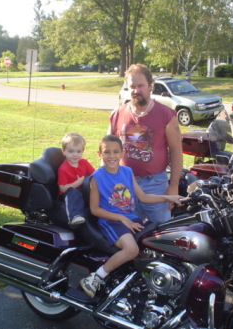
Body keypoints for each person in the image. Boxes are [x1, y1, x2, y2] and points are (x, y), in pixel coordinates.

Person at [80, 135, 182, 298]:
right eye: (107, 152)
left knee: (157, 240)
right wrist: (122, 219)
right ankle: (96, 277)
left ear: (122, 153)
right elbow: (95, 210)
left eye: (115, 152)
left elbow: (143, 196)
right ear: (99, 154)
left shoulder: (127, 172)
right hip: (111, 221)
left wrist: (168, 198)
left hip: (131, 218)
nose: (111, 156)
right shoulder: (97, 177)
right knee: (132, 249)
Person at [109, 64, 183, 223]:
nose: (136, 90)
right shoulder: (116, 115)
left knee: (160, 234)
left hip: (155, 184)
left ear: (150, 86)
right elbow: (108, 151)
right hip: (125, 184)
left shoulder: (167, 115)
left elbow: (176, 150)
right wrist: (108, 180)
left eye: (141, 85)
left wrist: (173, 186)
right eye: (132, 86)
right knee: (129, 232)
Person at [57, 132, 95, 226]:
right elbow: (62, 189)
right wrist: (77, 182)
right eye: (71, 151)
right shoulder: (63, 169)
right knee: (73, 193)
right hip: (69, 193)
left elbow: (95, 174)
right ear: (64, 151)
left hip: (84, 189)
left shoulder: (84, 162)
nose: (75, 155)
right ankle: (74, 216)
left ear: (82, 151)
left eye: (78, 151)